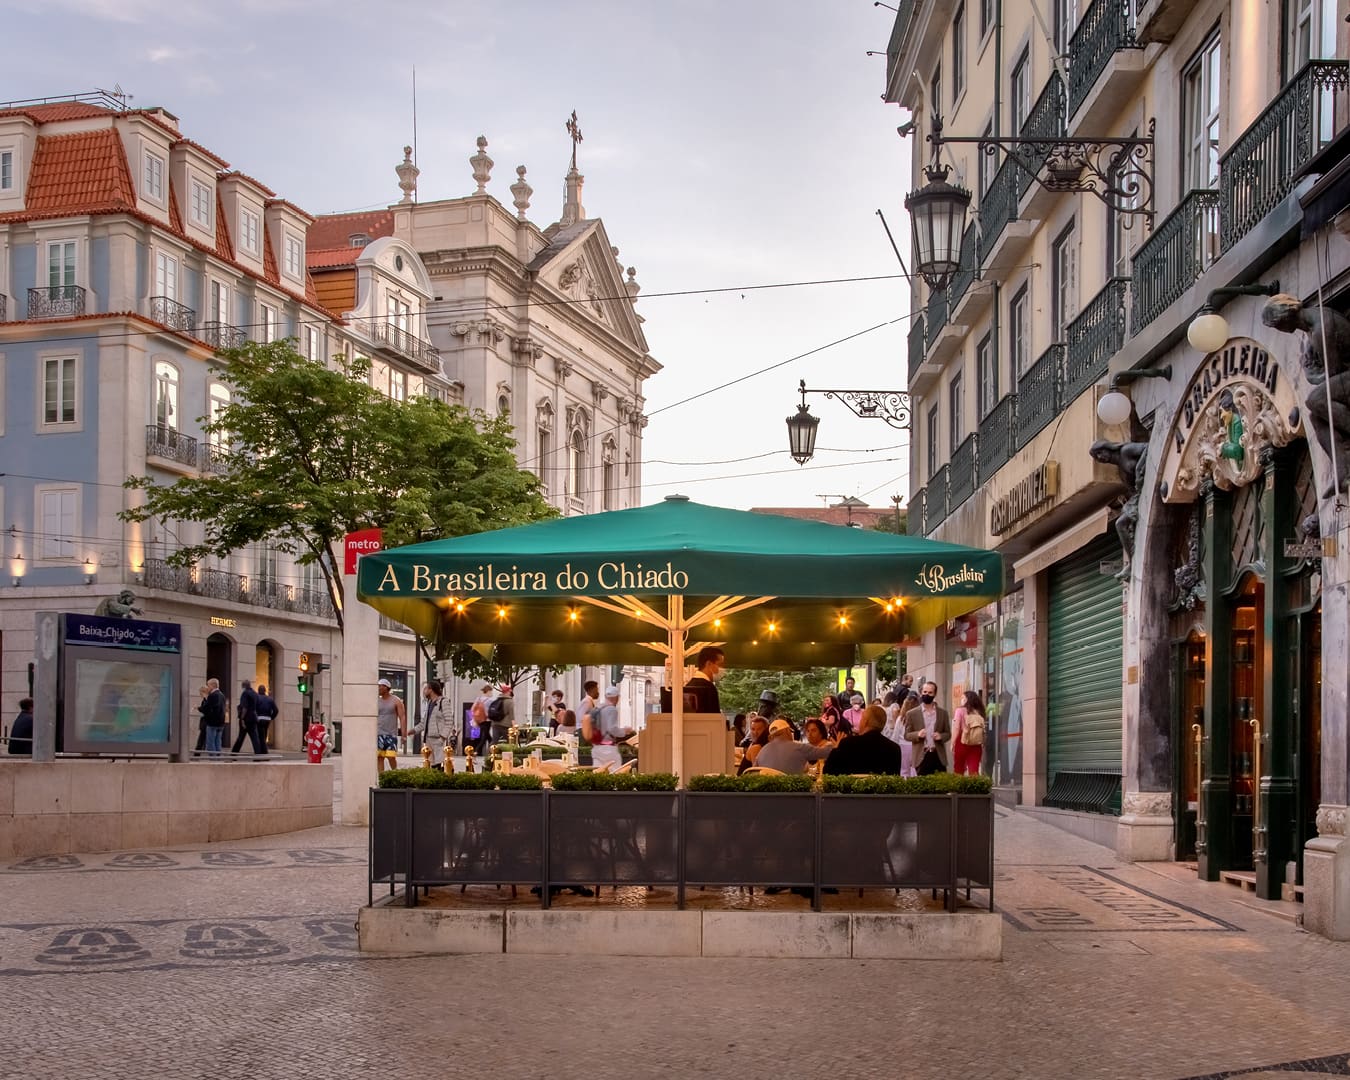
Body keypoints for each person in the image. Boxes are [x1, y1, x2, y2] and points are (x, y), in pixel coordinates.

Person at [823, 704, 903, 775]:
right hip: (882, 791)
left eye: (861, 719)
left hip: (851, 791)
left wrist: (836, 749)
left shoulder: (848, 744)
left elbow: (828, 772)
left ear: (865, 721)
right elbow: (894, 781)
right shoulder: (894, 749)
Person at [903, 681, 951, 774]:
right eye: (925, 692)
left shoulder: (942, 713)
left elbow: (948, 733)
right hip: (921, 756)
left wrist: (941, 736)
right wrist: (917, 734)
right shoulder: (912, 714)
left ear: (934, 694)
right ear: (921, 693)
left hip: (938, 755)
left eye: (930, 693)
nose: (927, 695)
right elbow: (906, 735)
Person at [754, 718, 832, 775]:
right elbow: (826, 753)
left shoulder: (762, 751)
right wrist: (836, 745)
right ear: (787, 731)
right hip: (793, 794)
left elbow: (753, 771)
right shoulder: (799, 747)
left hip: (767, 794)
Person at [952, 690, 987, 776]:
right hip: (976, 743)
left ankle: (958, 788)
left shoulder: (960, 710)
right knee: (974, 770)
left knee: (958, 769)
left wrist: (952, 743)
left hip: (961, 742)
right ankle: (974, 788)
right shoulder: (980, 711)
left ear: (968, 699)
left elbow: (956, 728)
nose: (961, 700)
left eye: (963, 698)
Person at [375, 678, 407, 773]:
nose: (378, 688)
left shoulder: (396, 701)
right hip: (378, 733)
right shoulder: (377, 701)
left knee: (391, 756)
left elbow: (402, 717)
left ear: (386, 687)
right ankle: (382, 777)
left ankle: (395, 773)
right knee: (379, 757)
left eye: (380, 686)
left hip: (391, 733)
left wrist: (404, 734)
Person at [417, 679, 452, 764]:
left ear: (431, 690)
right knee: (430, 762)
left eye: (426, 689)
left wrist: (442, 737)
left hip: (437, 738)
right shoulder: (429, 703)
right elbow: (425, 721)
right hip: (428, 737)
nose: (424, 691)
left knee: (438, 762)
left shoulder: (443, 702)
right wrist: (414, 730)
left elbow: (449, 721)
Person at [684, 646, 724, 713]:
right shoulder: (709, 688)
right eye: (720, 664)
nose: (722, 669)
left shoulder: (689, 685)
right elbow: (714, 718)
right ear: (709, 664)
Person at [232, 679, 263, 755]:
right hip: (253, 717)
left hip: (246, 718)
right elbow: (258, 706)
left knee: (240, 737)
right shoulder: (255, 694)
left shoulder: (245, 694)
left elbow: (244, 707)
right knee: (255, 737)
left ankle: (234, 754)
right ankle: (258, 754)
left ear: (244, 686)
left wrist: (242, 718)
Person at [198, 678, 227, 756]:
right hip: (221, 723)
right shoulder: (222, 695)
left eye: (208, 685)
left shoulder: (212, 695)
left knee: (210, 743)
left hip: (212, 723)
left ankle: (213, 760)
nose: (208, 687)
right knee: (218, 742)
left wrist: (199, 708)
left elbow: (207, 708)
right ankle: (218, 759)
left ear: (213, 685)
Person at [253, 684, 277, 753]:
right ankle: (263, 749)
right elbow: (276, 710)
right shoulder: (270, 699)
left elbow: (253, 709)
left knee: (259, 735)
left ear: (258, 691)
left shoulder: (256, 698)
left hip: (259, 718)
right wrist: (271, 717)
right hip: (267, 719)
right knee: (264, 733)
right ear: (265, 691)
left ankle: (261, 750)